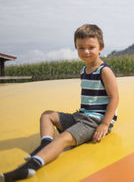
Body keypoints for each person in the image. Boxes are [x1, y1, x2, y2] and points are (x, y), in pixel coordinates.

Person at [1, 24, 119, 181]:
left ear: (101, 48)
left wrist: (104, 124)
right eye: (81, 48)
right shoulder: (84, 70)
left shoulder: (104, 71)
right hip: (81, 116)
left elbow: (114, 97)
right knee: (47, 115)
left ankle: (30, 167)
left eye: (91, 47)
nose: (86, 52)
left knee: (62, 139)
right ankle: (45, 144)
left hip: (95, 121)